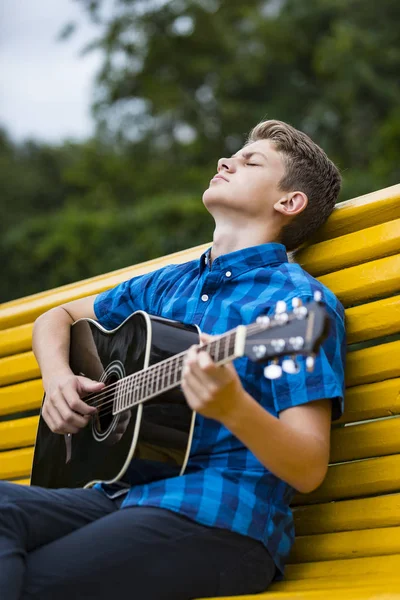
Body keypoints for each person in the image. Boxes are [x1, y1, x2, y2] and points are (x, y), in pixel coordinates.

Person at [0, 120, 346, 600]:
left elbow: (308, 466)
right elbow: (55, 317)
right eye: (233, 154)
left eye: (251, 161)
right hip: (118, 496)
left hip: (219, 519)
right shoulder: (168, 284)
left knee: (37, 583)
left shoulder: (295, 308)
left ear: (288, 203)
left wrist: (232, 407)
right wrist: (59, 378)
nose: (226, 161)